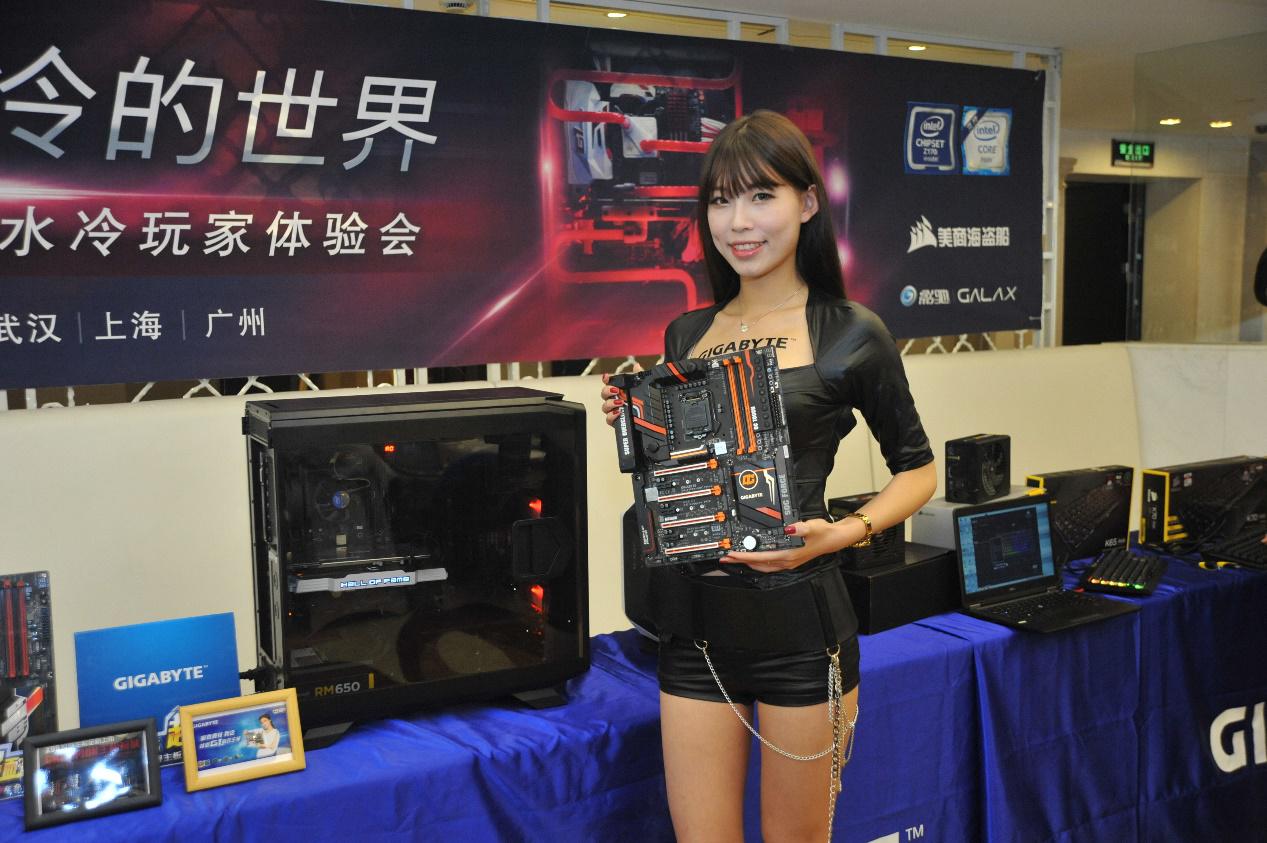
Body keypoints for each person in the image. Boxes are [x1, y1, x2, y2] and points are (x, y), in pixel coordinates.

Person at [600, 110, 937, 842]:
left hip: (801, 635)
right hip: (693, 631)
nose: (738, 221)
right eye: (721, 201)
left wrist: (839, 534)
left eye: (761, 196)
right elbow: (696, 473)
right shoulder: (688, 332)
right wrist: (639, 422)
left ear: (807, 202)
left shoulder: (850, 332)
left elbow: (918, 469)